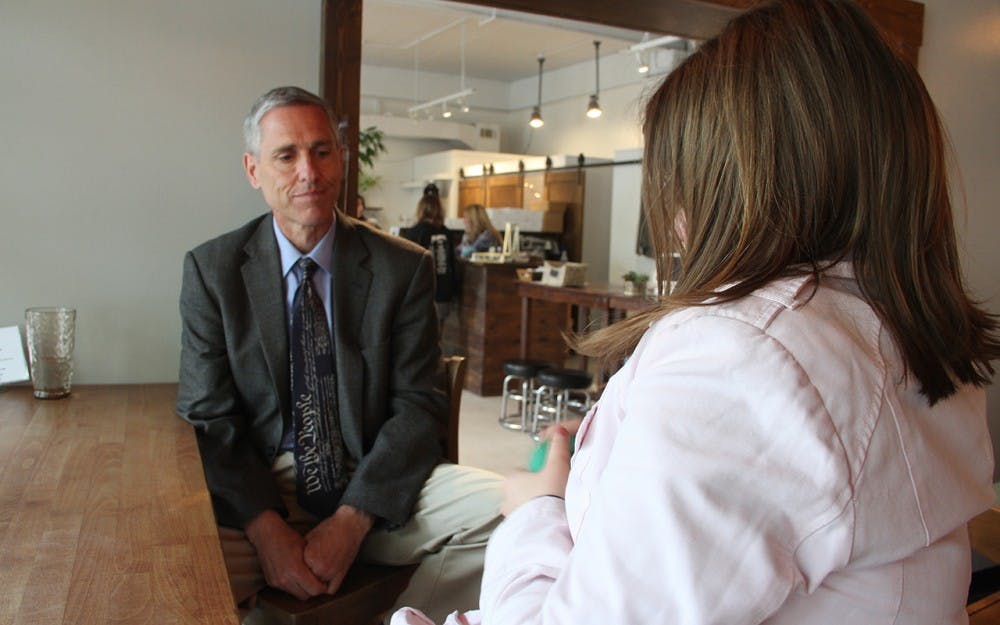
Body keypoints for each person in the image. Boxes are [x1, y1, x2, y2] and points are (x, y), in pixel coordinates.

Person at [392, 1, 999, 624]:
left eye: (684, 183)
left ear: (745, 184)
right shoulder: (897, 332)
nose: (677, 225)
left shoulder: (749, 357)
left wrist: (536, 511)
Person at [176, 86, 501, 624]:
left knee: (518, 514)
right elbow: (208, 418)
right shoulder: (212, 272)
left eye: (322, 151)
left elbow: (418, 405)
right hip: (262, 486)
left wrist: (353, 519)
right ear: (253, 170)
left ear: (342, 160)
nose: (309, 171)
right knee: (162, 571)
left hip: (372, 479)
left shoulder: (402, 267)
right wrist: (267, 529)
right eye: (287, 155)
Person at [402, 184, 458, 329]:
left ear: (420, 209)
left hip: (421, 294)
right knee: (438, 337)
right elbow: (452, 263)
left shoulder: (414, 233)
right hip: (444, 292)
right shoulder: (447, 233)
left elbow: (407, 266)